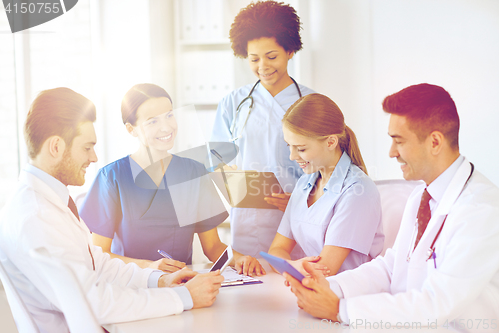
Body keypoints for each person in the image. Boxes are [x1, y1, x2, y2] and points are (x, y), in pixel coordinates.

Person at [0, 88, 225, 332]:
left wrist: (159, 280)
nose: (94, 157)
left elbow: (97, 263)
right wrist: (183, 297)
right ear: (55, 147)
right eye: (87, 148)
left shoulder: (48, 202)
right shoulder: (36, 216)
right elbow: (93, 300)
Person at [285, 84, 499, 327]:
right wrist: (330, 287)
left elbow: (437, 304)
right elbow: (391, 267)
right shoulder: (421, 196)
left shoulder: (481, 210)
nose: (391, 152)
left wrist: (340, 309)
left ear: (435, 142)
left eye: (399, 141)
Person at [80, 83, 265, 276]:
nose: (166, 127)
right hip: (129, 287)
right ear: (131, 129)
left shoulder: (194, 172)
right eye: (152, 121)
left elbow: (213, 247)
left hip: (182, 285)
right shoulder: (112, 177)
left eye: (169, 115)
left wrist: (240, 259)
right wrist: (148, 267)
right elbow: (99, 254)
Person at [211, 0, 315, 258]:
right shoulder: (232, 103)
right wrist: (226, 174)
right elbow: (216, 160)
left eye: (271, 57)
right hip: (248, 219)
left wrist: (303, 201)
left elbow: (330, 167)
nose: (263, 67)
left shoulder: (312, 103)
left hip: (298, 216)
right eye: (254, 59)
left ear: (290, 50)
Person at [267, 94, 384, 276]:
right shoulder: (305, 183)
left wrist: (290, 267)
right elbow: (276, 250)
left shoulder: (358, 190)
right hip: (308, 287)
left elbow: (324, 270)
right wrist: (294, 267)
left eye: (301, 148)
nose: (292, 156)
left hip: (345, 295)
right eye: (289, 146)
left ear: (331, 142)